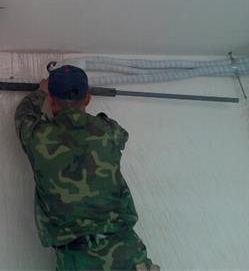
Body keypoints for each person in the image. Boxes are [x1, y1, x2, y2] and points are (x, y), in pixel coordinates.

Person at [15, 65, 159, 271]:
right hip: (125, 251)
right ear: (88, 98)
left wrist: (40, 92)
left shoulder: (36, 137)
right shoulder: (109, 131)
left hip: (77, 259)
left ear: (51, 101)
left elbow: (23, 114)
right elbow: (122, 136)